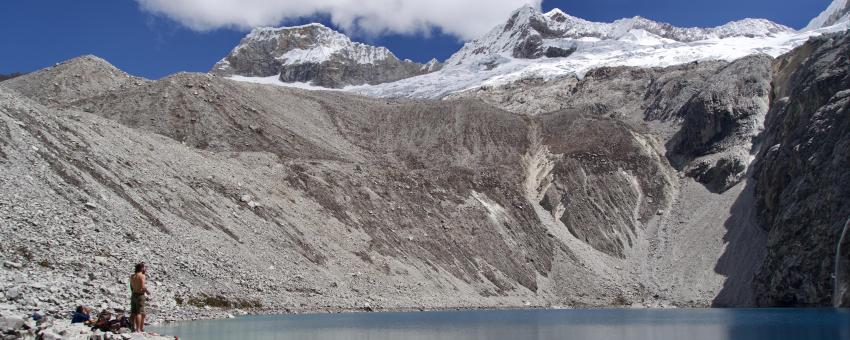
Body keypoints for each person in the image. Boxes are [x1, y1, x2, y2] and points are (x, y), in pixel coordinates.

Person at [130, 262, 150, 333]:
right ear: (141, 268)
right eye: (144, 267)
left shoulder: (132, 276)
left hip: (133, 295)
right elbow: (143, 287)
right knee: (139, 313)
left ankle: (132, 328)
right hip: (140, 296)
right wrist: (147, 292)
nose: (145, 269)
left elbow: (131, 287)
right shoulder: (142, 276)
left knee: (133, 312)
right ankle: (138, 329)